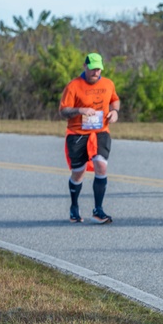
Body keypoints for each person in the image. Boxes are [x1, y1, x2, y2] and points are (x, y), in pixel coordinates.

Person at [58, 53, 120, 224]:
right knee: (78, 173)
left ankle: (98, 210)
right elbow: (63, 111)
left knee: (101, 165)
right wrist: (80, 110)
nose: (95, 72)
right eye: (92, 68)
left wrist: (115, 112)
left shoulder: (108, 84)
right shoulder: (73, 86)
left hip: (100, 132)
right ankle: (74, 206)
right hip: (77, 133)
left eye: (98, 69)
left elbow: (115, 100)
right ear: (85, 66)